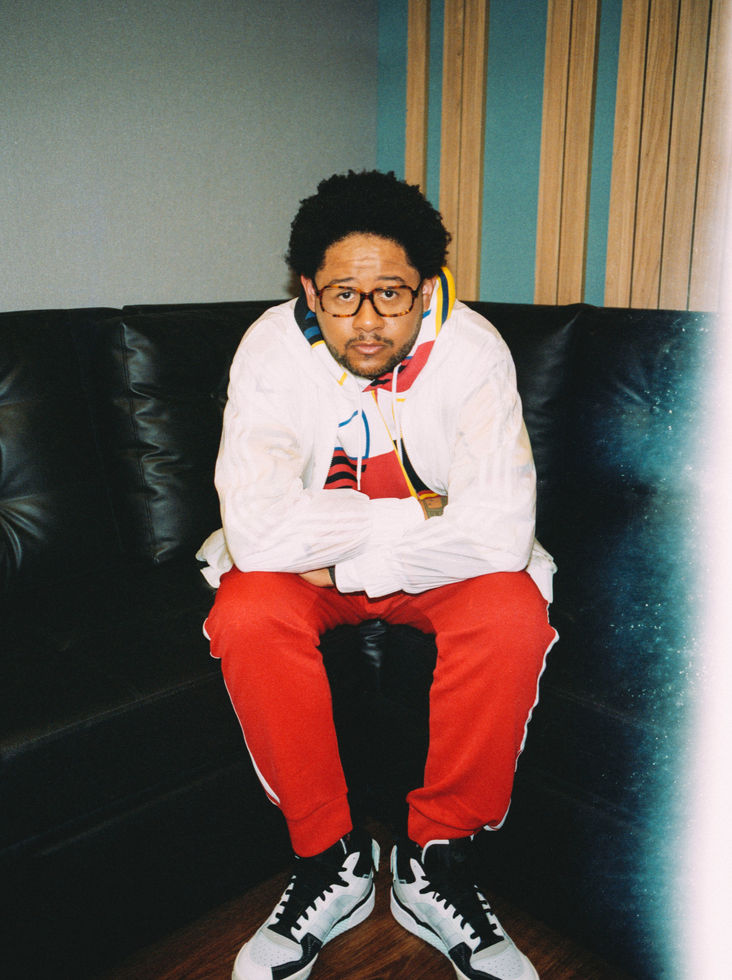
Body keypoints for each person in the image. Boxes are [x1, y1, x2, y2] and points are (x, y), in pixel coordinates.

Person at [198, 170, 558, 980]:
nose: (366, 322)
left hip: (398, 566)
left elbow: (499, 536)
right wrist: (423, 518)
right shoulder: (269, 348)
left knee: (511, 612)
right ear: (308, 291)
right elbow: (256, 533)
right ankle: (332, 861)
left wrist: (350, 556)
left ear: (426, 287)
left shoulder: (475, 351)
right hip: (319, 568)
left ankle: (437, 859)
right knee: (247, 611)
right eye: (342, 296)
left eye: (391, 294)